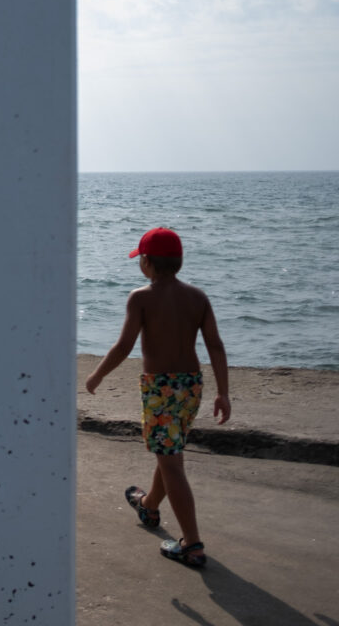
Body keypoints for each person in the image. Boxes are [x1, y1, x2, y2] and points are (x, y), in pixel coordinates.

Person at [85, 227, 230, 568]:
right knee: (170, 453)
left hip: (160, 389)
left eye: (141, 260)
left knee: (171, 462)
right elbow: (216, 346)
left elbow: (124, 346)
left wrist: (98, 373)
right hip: (192, 386)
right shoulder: (198, 297)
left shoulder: (141, 298)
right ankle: (149, 506)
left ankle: (192, 545)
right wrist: (223, 392)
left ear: (147, 262)